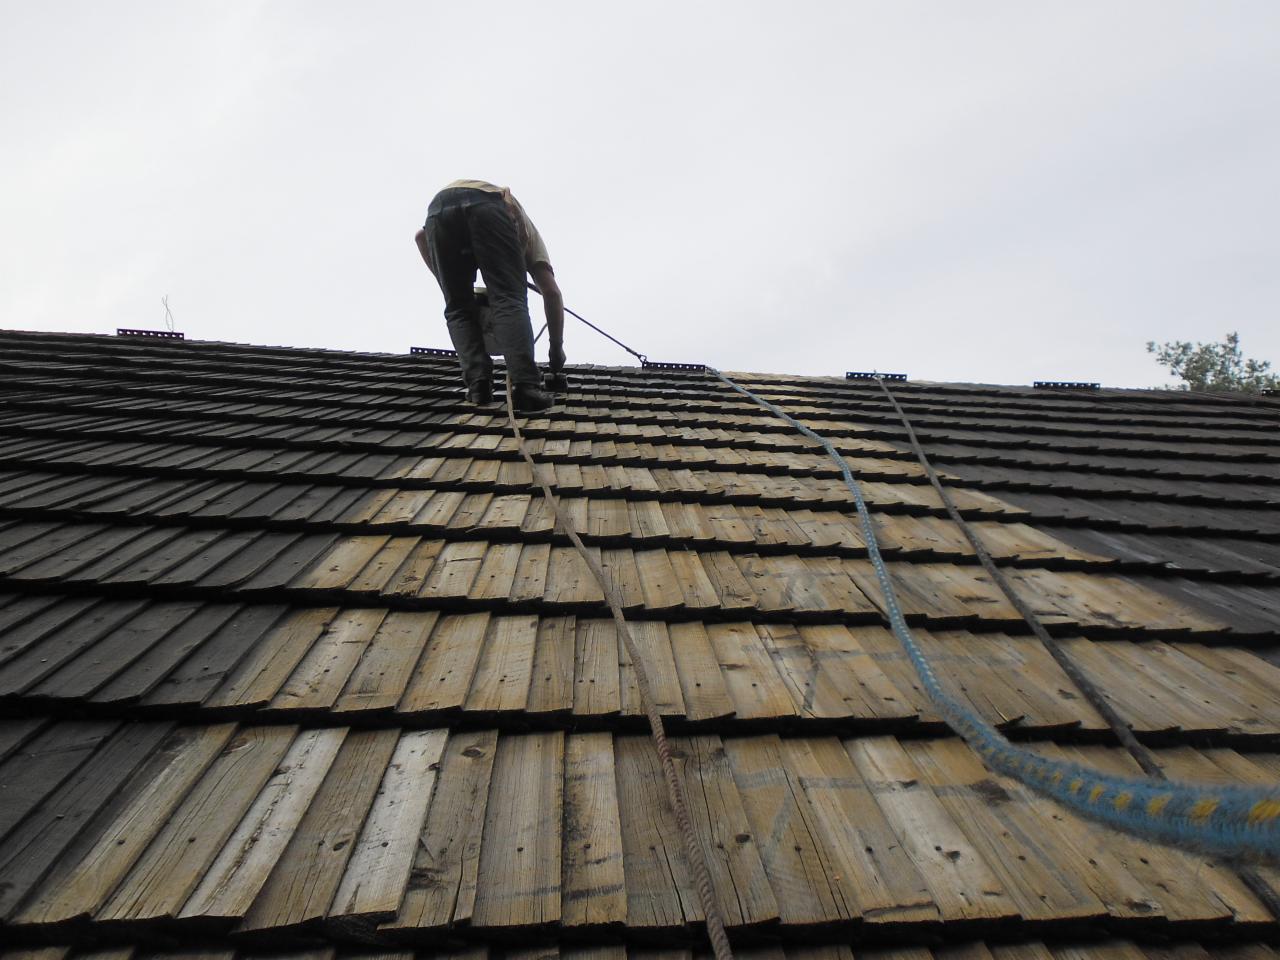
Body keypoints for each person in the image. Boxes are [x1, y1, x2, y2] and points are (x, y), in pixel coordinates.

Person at [415, 179, 565, 411]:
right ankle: (525, 387)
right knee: (508, 298)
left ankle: (479, 387)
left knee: (458, 308)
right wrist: (556, 350)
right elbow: (552, 293)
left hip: (438, 211)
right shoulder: (529, 234)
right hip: (486, 204)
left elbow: (420, 237)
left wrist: (452, 288)